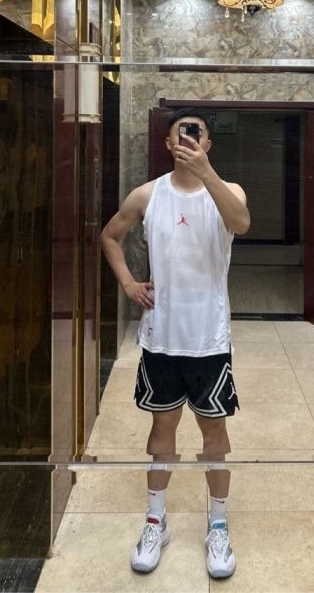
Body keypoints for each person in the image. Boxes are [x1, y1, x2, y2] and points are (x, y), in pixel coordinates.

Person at [100, 108, 250, 579]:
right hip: (161, 339)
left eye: (197, 134)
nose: (189, 140)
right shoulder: (148, 194)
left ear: (208, 144)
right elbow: (110, 236)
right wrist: (128, 284)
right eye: (181, 135)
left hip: (209, 340)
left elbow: (241, 223)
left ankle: (218, 525)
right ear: (167, 144)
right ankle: (155, 521)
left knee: (214, 437)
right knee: (161, 433)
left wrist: (207, 174)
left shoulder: (228, 192)